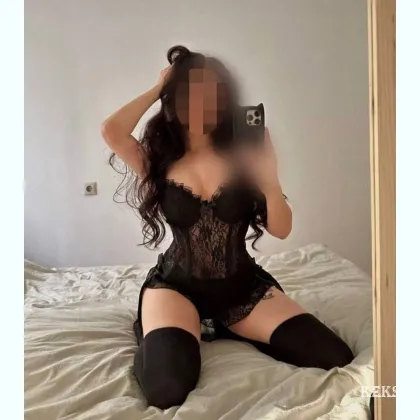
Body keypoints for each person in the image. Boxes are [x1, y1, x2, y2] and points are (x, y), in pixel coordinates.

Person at [101, 45, 354, 410]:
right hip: (175, 288)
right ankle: (188, 326)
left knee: (333, 355)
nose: (202, 103)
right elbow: (111, 130)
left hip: (241, 288)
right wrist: (158, 87)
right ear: (174, 99)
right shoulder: (158, 160)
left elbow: (282, 230)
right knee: (167, 388)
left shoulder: (244, 153)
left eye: (212, 93)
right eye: (190, 93)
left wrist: (268, 178)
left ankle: (224, 325)